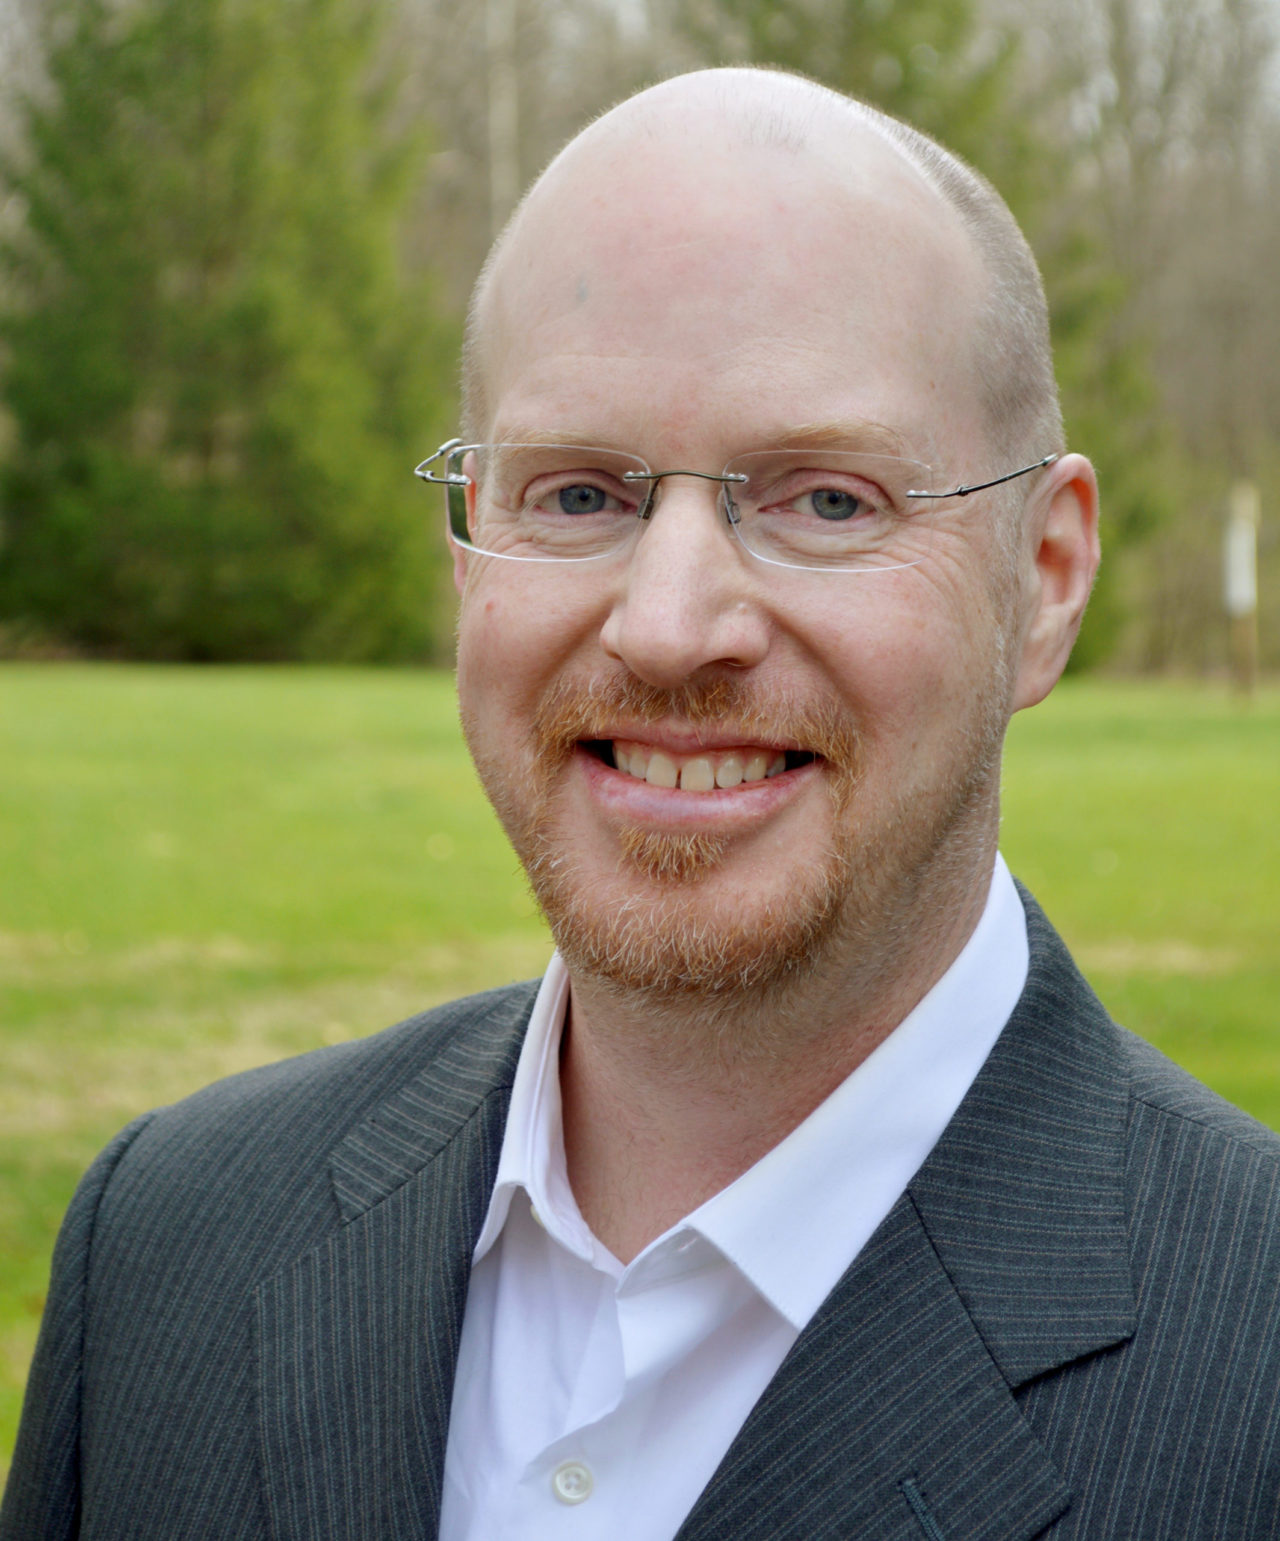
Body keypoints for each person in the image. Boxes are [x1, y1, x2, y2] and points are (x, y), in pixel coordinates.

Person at [4, 66, 1280, 1541]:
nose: (669, 627)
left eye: (824, 499)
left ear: (1045, 578)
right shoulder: (166, 1245)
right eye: (579, 494)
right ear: (470, 549)